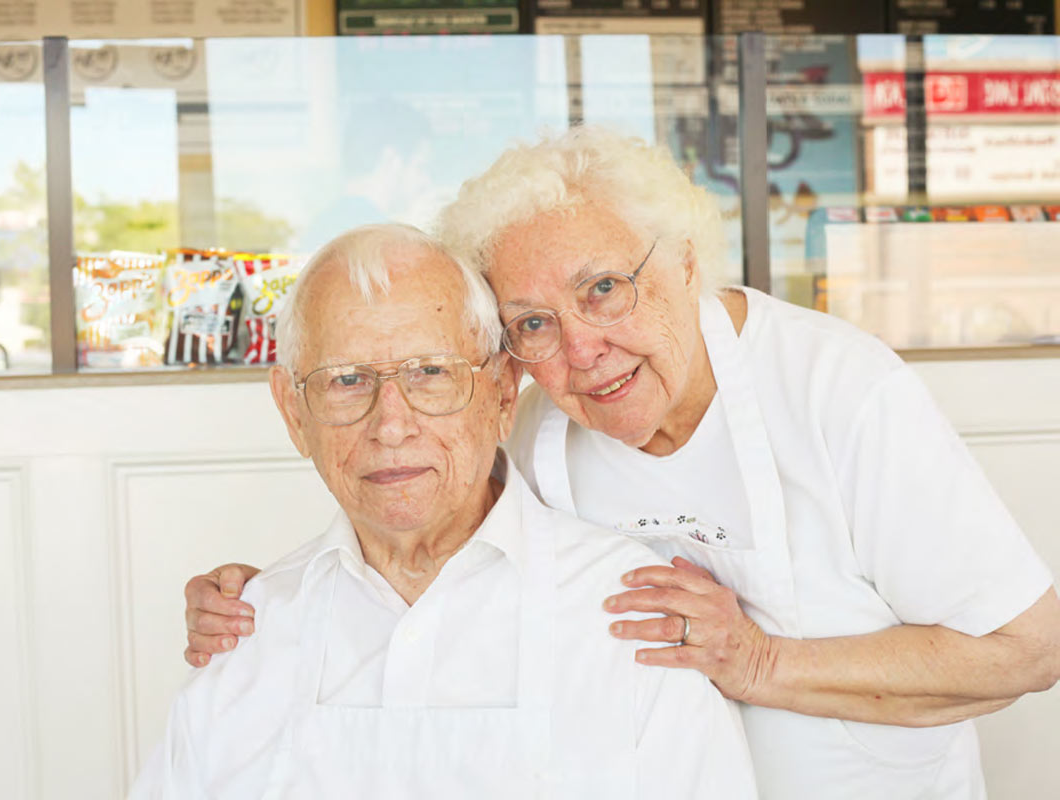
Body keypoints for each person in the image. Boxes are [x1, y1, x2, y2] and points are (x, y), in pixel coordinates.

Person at [183, 128, 1060, 798]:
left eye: (604, 288)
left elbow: (1027, 649)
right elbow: (419, 532)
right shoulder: (531, 428)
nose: (584, 348)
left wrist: (756, 661)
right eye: (534, 323)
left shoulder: (840, 393)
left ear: (684, 259)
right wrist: (271, 600)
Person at [132, 224, 757, 798]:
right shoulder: (246, 634)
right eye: (347, 380)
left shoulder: (634, 618)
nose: (392, 425)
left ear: (504, 393)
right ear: (294, 414)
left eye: (431, 372)